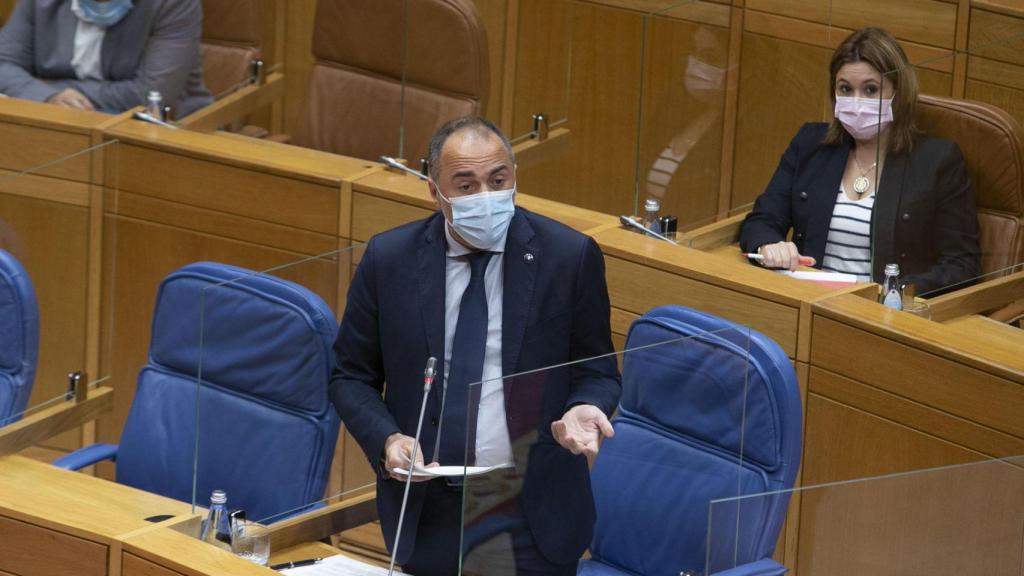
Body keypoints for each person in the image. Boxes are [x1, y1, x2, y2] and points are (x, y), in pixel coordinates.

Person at [330, 116, 622, 576]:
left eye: (497, 180)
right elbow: (350, 375)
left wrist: (584, 406)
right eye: (465, 185)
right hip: (430, 505)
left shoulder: (568, 256)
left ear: (514, 179)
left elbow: (597, 370)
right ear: (435, 191)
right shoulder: (391, 259)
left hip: (530, 507)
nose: (485, 196)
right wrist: (387, 440)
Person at [739, 27, 980, 295]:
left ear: (898, 93)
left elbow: (962, 265)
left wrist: (894, 293)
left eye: (870, 89)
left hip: (883, 314)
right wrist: (769, 245)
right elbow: (762, 219)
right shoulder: (811, 144)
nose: (856, 102)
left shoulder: (937, 161)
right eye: (845, 88)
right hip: (807, 299)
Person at [0, 0, 212, 117]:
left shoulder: (172, 3)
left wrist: (51, 90)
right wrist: (46, 96)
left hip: (156, 127)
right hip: (58, 121)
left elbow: (150, 93)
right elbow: (4, 63)